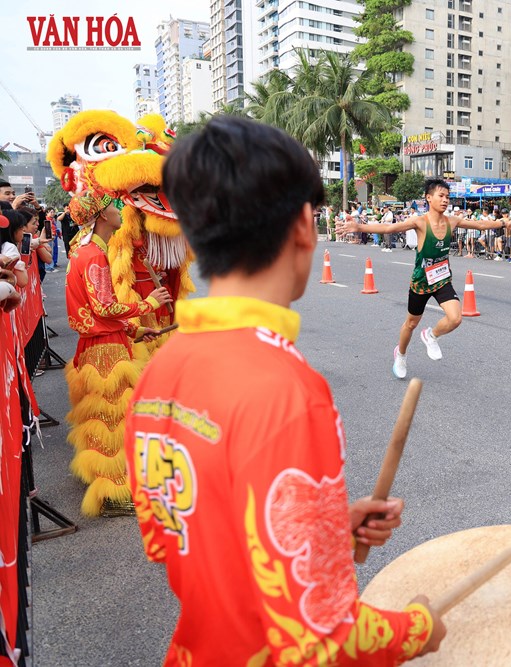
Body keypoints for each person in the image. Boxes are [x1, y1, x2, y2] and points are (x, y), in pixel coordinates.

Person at [126, 116, 445, 664]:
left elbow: (173, 539)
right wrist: (418, 628)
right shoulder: (288, 391)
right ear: (303, 224)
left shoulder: (160, 369)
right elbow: (320, 635)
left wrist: (320, 525)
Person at [337, 178, 511, 379]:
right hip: (421, 282)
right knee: (411, 324)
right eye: (441, 196)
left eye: (447, 197)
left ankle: (431, 335)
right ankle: (401, 354)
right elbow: (390, 229)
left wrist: (504, 222)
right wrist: (359, 228)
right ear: (428, 198)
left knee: (456, 318)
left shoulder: (452, 221)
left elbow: (479, 225)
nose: (445, 200)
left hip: (442, 279)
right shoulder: (420, 222)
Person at [64, 189, 172, 516]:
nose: (118, 211)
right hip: (105, 352)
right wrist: (148, 304)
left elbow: (98, 312)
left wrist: (137, 330)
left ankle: (113, 486)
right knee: (112, 422)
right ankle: (111, 494)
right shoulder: (94, 255)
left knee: (107, 420)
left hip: (101, 343)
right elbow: (105, 306)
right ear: (100, 217)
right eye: (112, 206)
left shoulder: (86, 251)